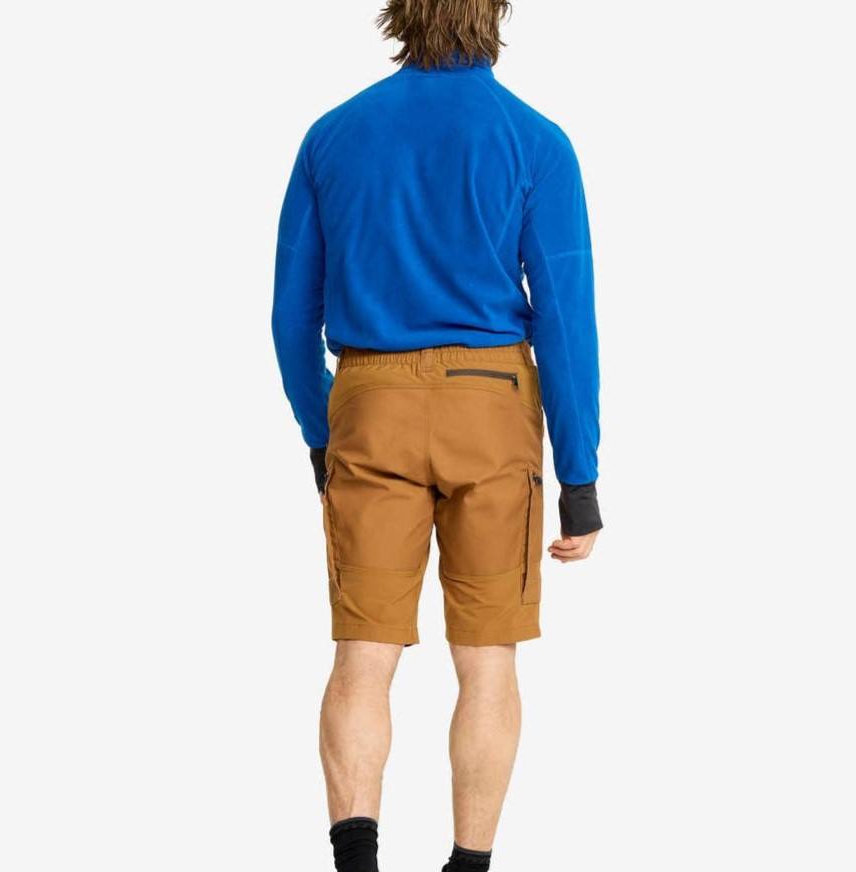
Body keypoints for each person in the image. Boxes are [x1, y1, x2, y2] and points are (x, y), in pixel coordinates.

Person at [272, 2, 602, 869]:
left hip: (370, 402)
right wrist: (580, 479)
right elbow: (566, 319)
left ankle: (356, 864)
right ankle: (468, 868)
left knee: (362, 655)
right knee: (487, 660)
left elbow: (291, 315)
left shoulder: (333, 136)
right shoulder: (536, 141)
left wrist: (322, 430)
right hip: (491, 408)